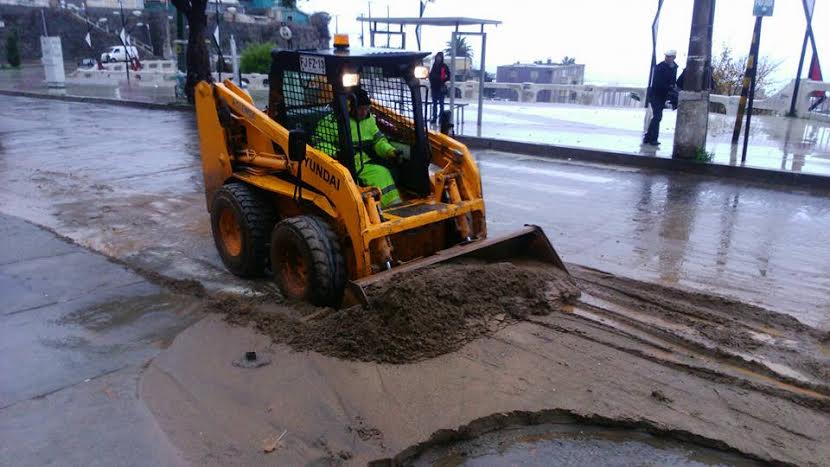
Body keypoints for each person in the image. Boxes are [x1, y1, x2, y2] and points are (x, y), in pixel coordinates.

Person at [314, 87, 403, 207]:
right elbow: (319, 142)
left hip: (363, 162)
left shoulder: (369, 120)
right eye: (360, 109)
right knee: (380, 173)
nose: (364, 112)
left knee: (383, 172)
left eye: (366, 109)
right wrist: (336, 153)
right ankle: (386, 207)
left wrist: (390, 151)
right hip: (340, 164)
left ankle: (392, 206)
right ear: (350, 107)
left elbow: (379, 141)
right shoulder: (332, 122)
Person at [644, 49, 679, 146]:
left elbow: (672, 81)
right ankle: (653, 139)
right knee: (658, 116)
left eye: (669, 56)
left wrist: (672, 87)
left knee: (657, 117)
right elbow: (657, 83)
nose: (667, 58)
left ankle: (647, 137)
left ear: (673, 57)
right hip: (656, 95)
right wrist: (669, 87)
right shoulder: (660, 67)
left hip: (663, 95)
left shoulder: (674, 67)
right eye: (666, 56)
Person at [429, 52, 451, 124]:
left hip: (441, 87)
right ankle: (434, 118)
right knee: (434, 104)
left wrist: (443, 80)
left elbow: (449, 75)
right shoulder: (434, 65)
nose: (438, 58)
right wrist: (431, 80)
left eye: (439, 57)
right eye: (437, 57)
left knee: (441, 104)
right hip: (434, 87)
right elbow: (431, 74)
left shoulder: (444, 66)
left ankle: (441, 119)